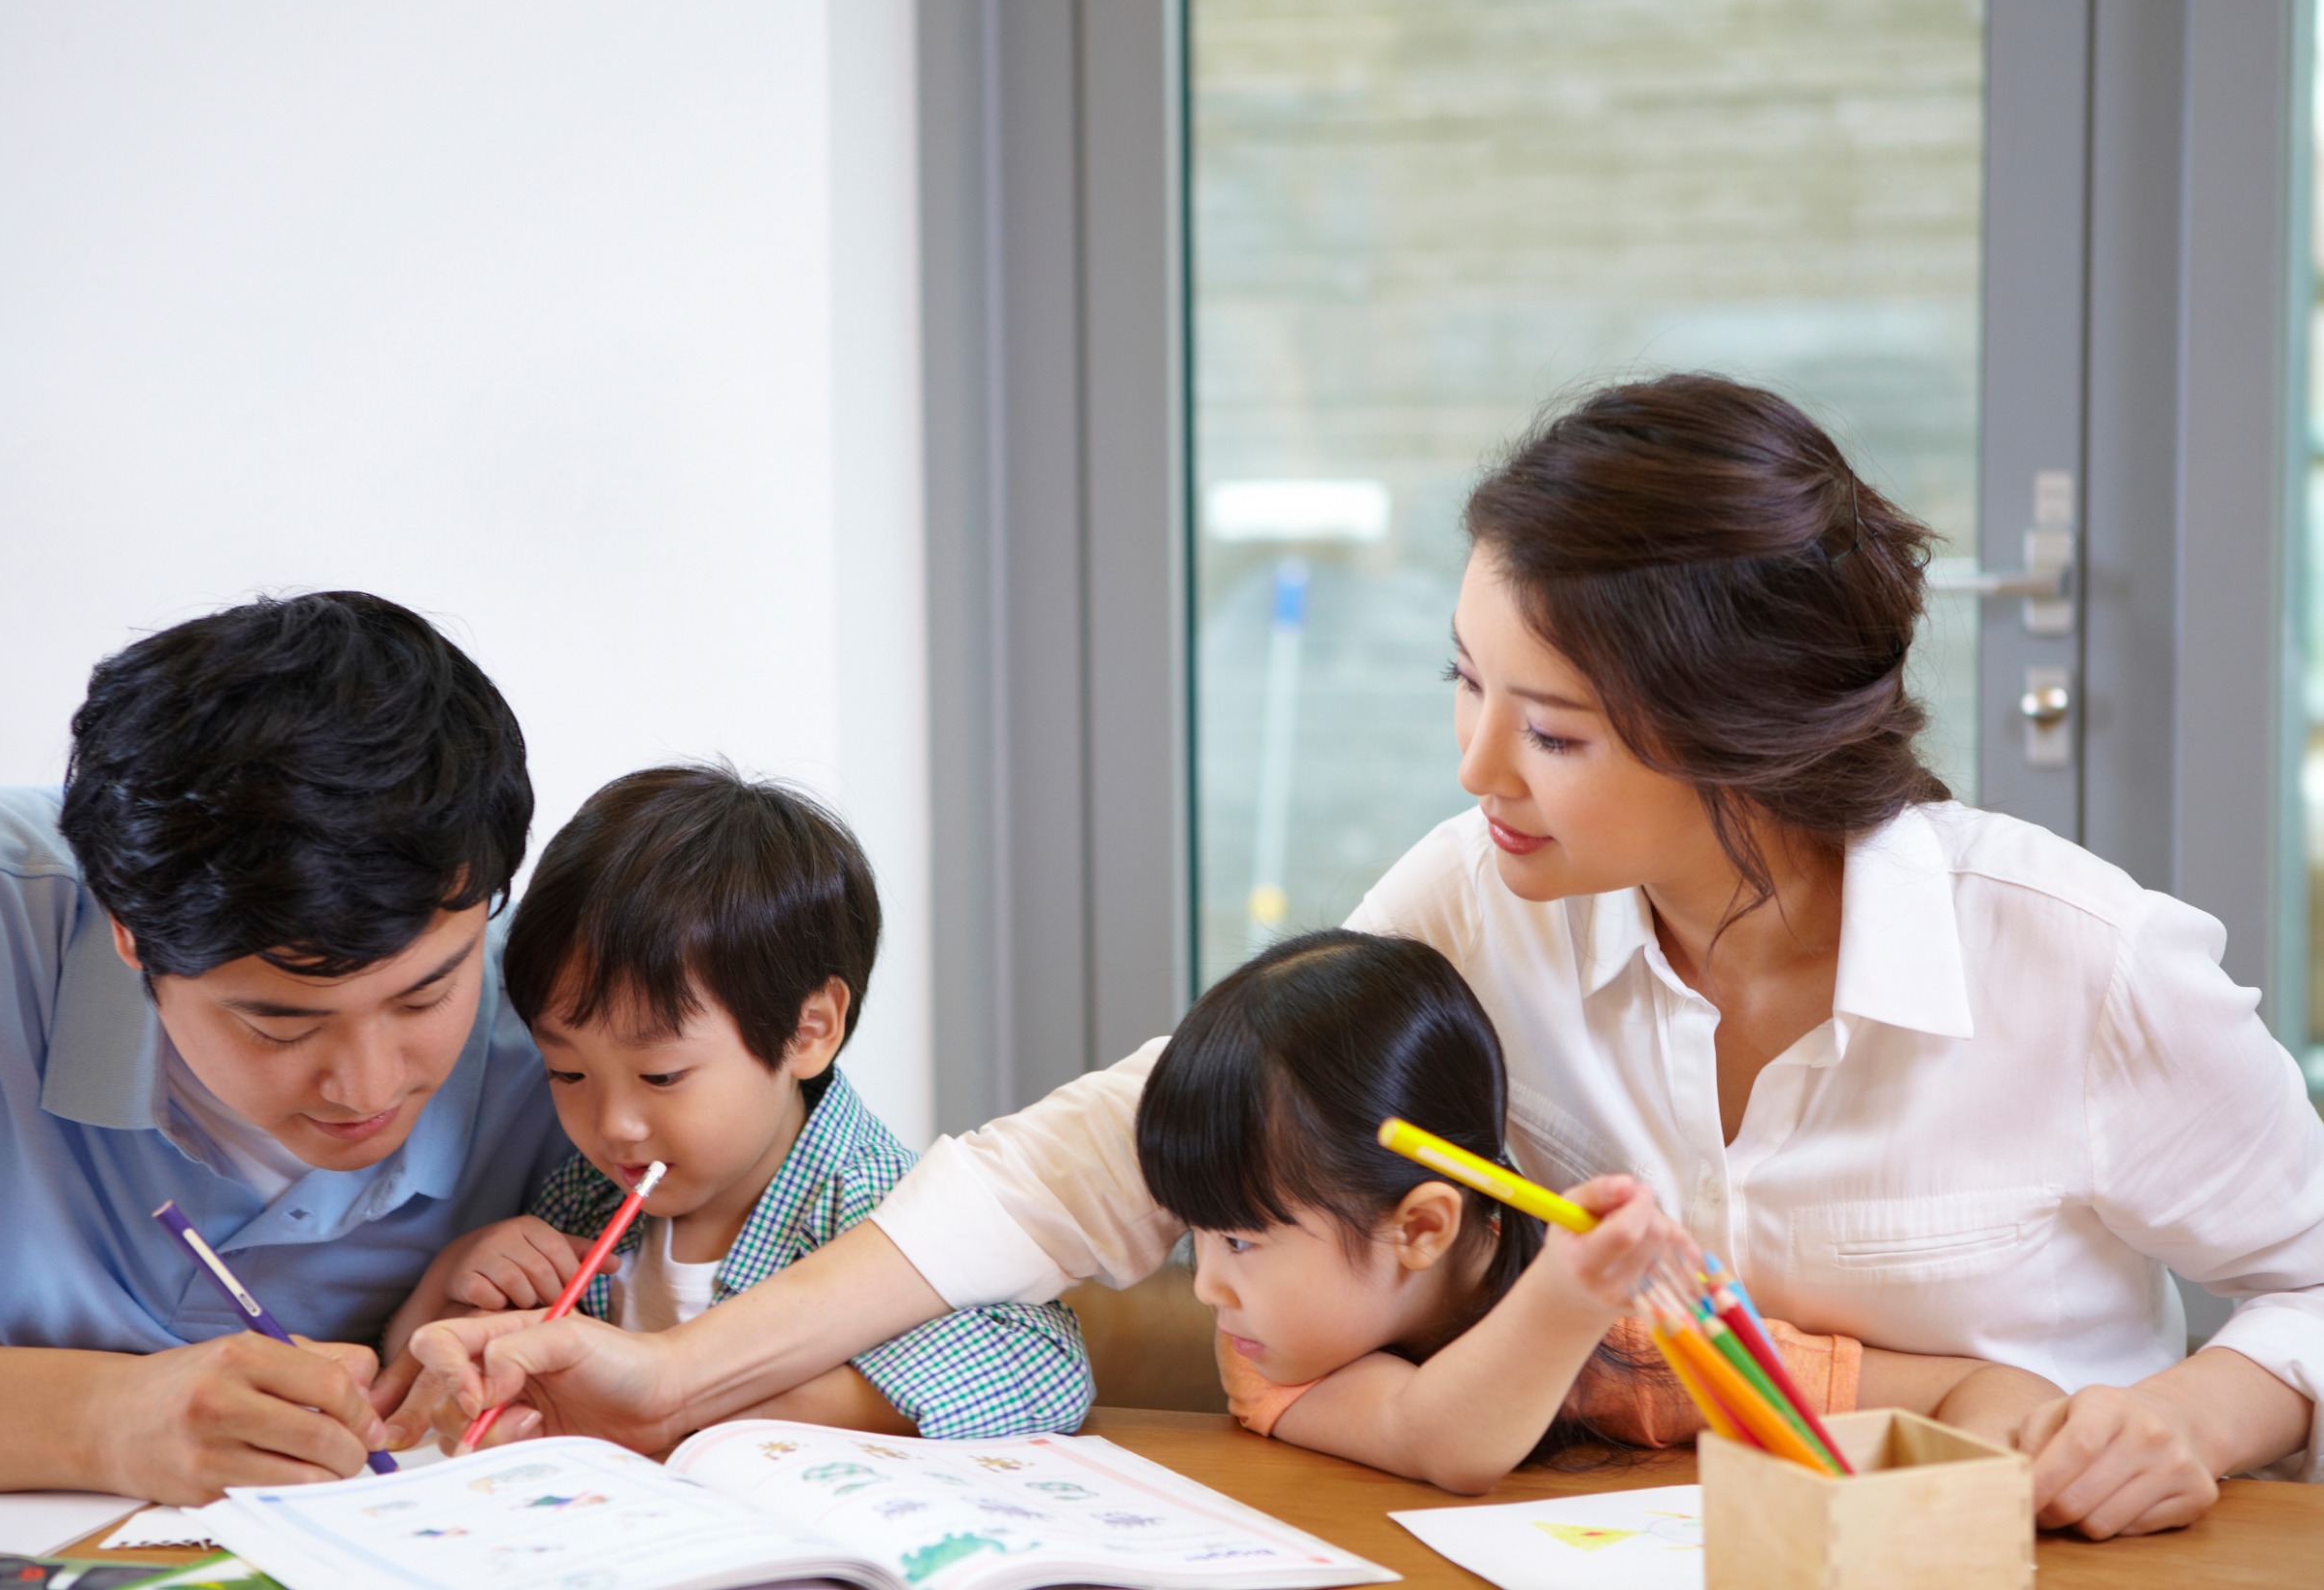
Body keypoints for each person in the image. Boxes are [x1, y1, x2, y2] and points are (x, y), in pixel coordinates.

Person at [413, 375, 2324, 1540]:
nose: (1477, 764)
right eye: (1467, 685)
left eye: (1549, 726)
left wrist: (2201, 1414)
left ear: (1741, 736)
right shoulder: (1483, 891)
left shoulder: (2079, 966)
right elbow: (1102, 1154)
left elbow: (2311, 1278)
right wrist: (672, 1378)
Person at [0, 592, 573, 1504]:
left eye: (428, 994)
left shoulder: (566, 1016)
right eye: (280, 1023)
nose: (367, 1086)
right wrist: (100, 1419)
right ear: (128, 935)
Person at [1138, 927, 2060, 1492]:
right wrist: (1569, 1297)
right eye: (1199, 1237)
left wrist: (1964, 1482)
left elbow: (1989, 1391)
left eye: (1239, 1240)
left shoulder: (1638, 1347)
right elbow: (1438, 1439)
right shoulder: (1268, 1350)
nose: (1209, 1287)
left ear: (1422, 1227)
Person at [383, 764, 1090, 1441]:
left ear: (808, 1031)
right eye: (567, 1072)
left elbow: (1045, 1365)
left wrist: (727, 1406)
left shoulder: (870, 1201)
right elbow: (423, 1385)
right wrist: (456, 1279)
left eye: (660, 1077)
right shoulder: (584, 1200)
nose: (612, 1125)